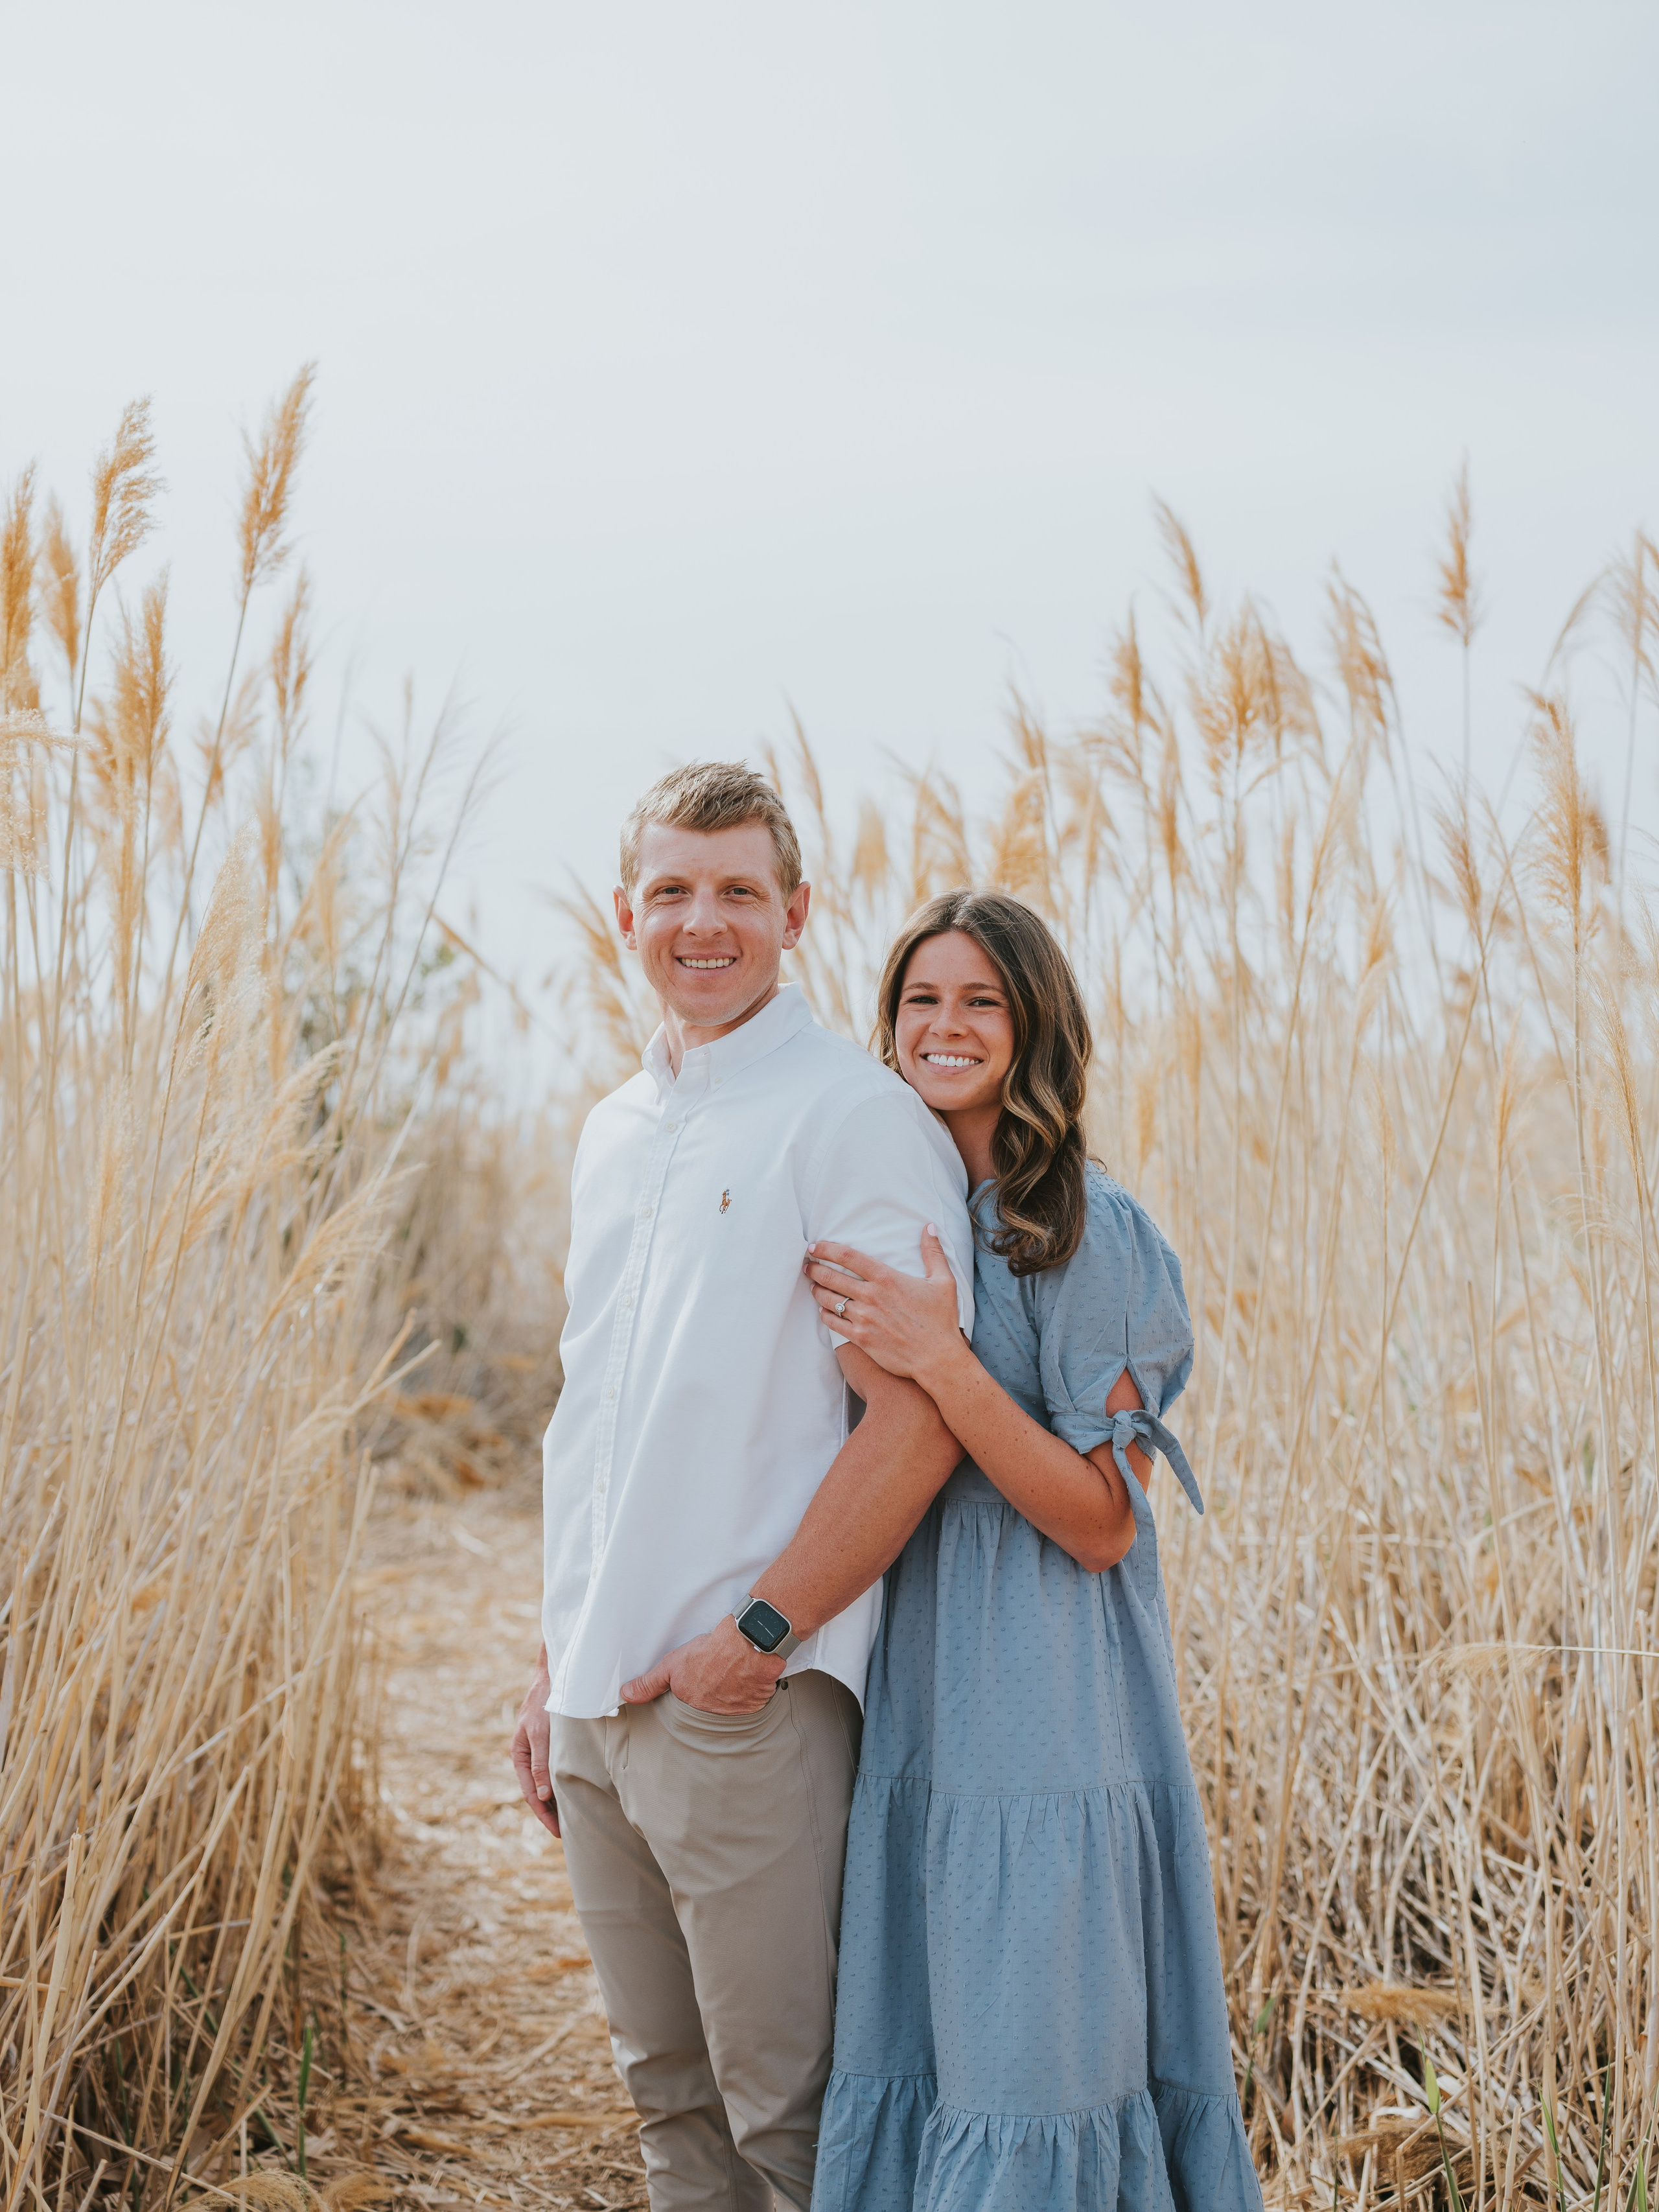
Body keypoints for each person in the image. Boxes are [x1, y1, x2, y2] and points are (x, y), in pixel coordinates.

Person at [510, 763, 979, 2212]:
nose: (699, 922)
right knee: (666, 2107)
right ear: (622, 913)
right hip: (597, 1706)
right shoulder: (611, 1130)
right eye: (670, 891)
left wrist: (757, 1642)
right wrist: (551, 1667)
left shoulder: (848, 1116)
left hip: (741, 1706)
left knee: (792, 2124)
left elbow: (916, 1423)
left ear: (796, 915)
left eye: (735, 892)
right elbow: (597, 1422)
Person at [802, 890, 1262, 2212]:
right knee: (930, 2046)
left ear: (1032, 1025)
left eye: (978, 1001)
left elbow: (1100, 1519)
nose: (943, 1026)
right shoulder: (906, 1217)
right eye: (920, 1001)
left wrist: (942, 1362)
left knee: (1031, 2064)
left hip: (1047, 1705)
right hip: (923, 1695)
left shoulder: (1080, 1229)